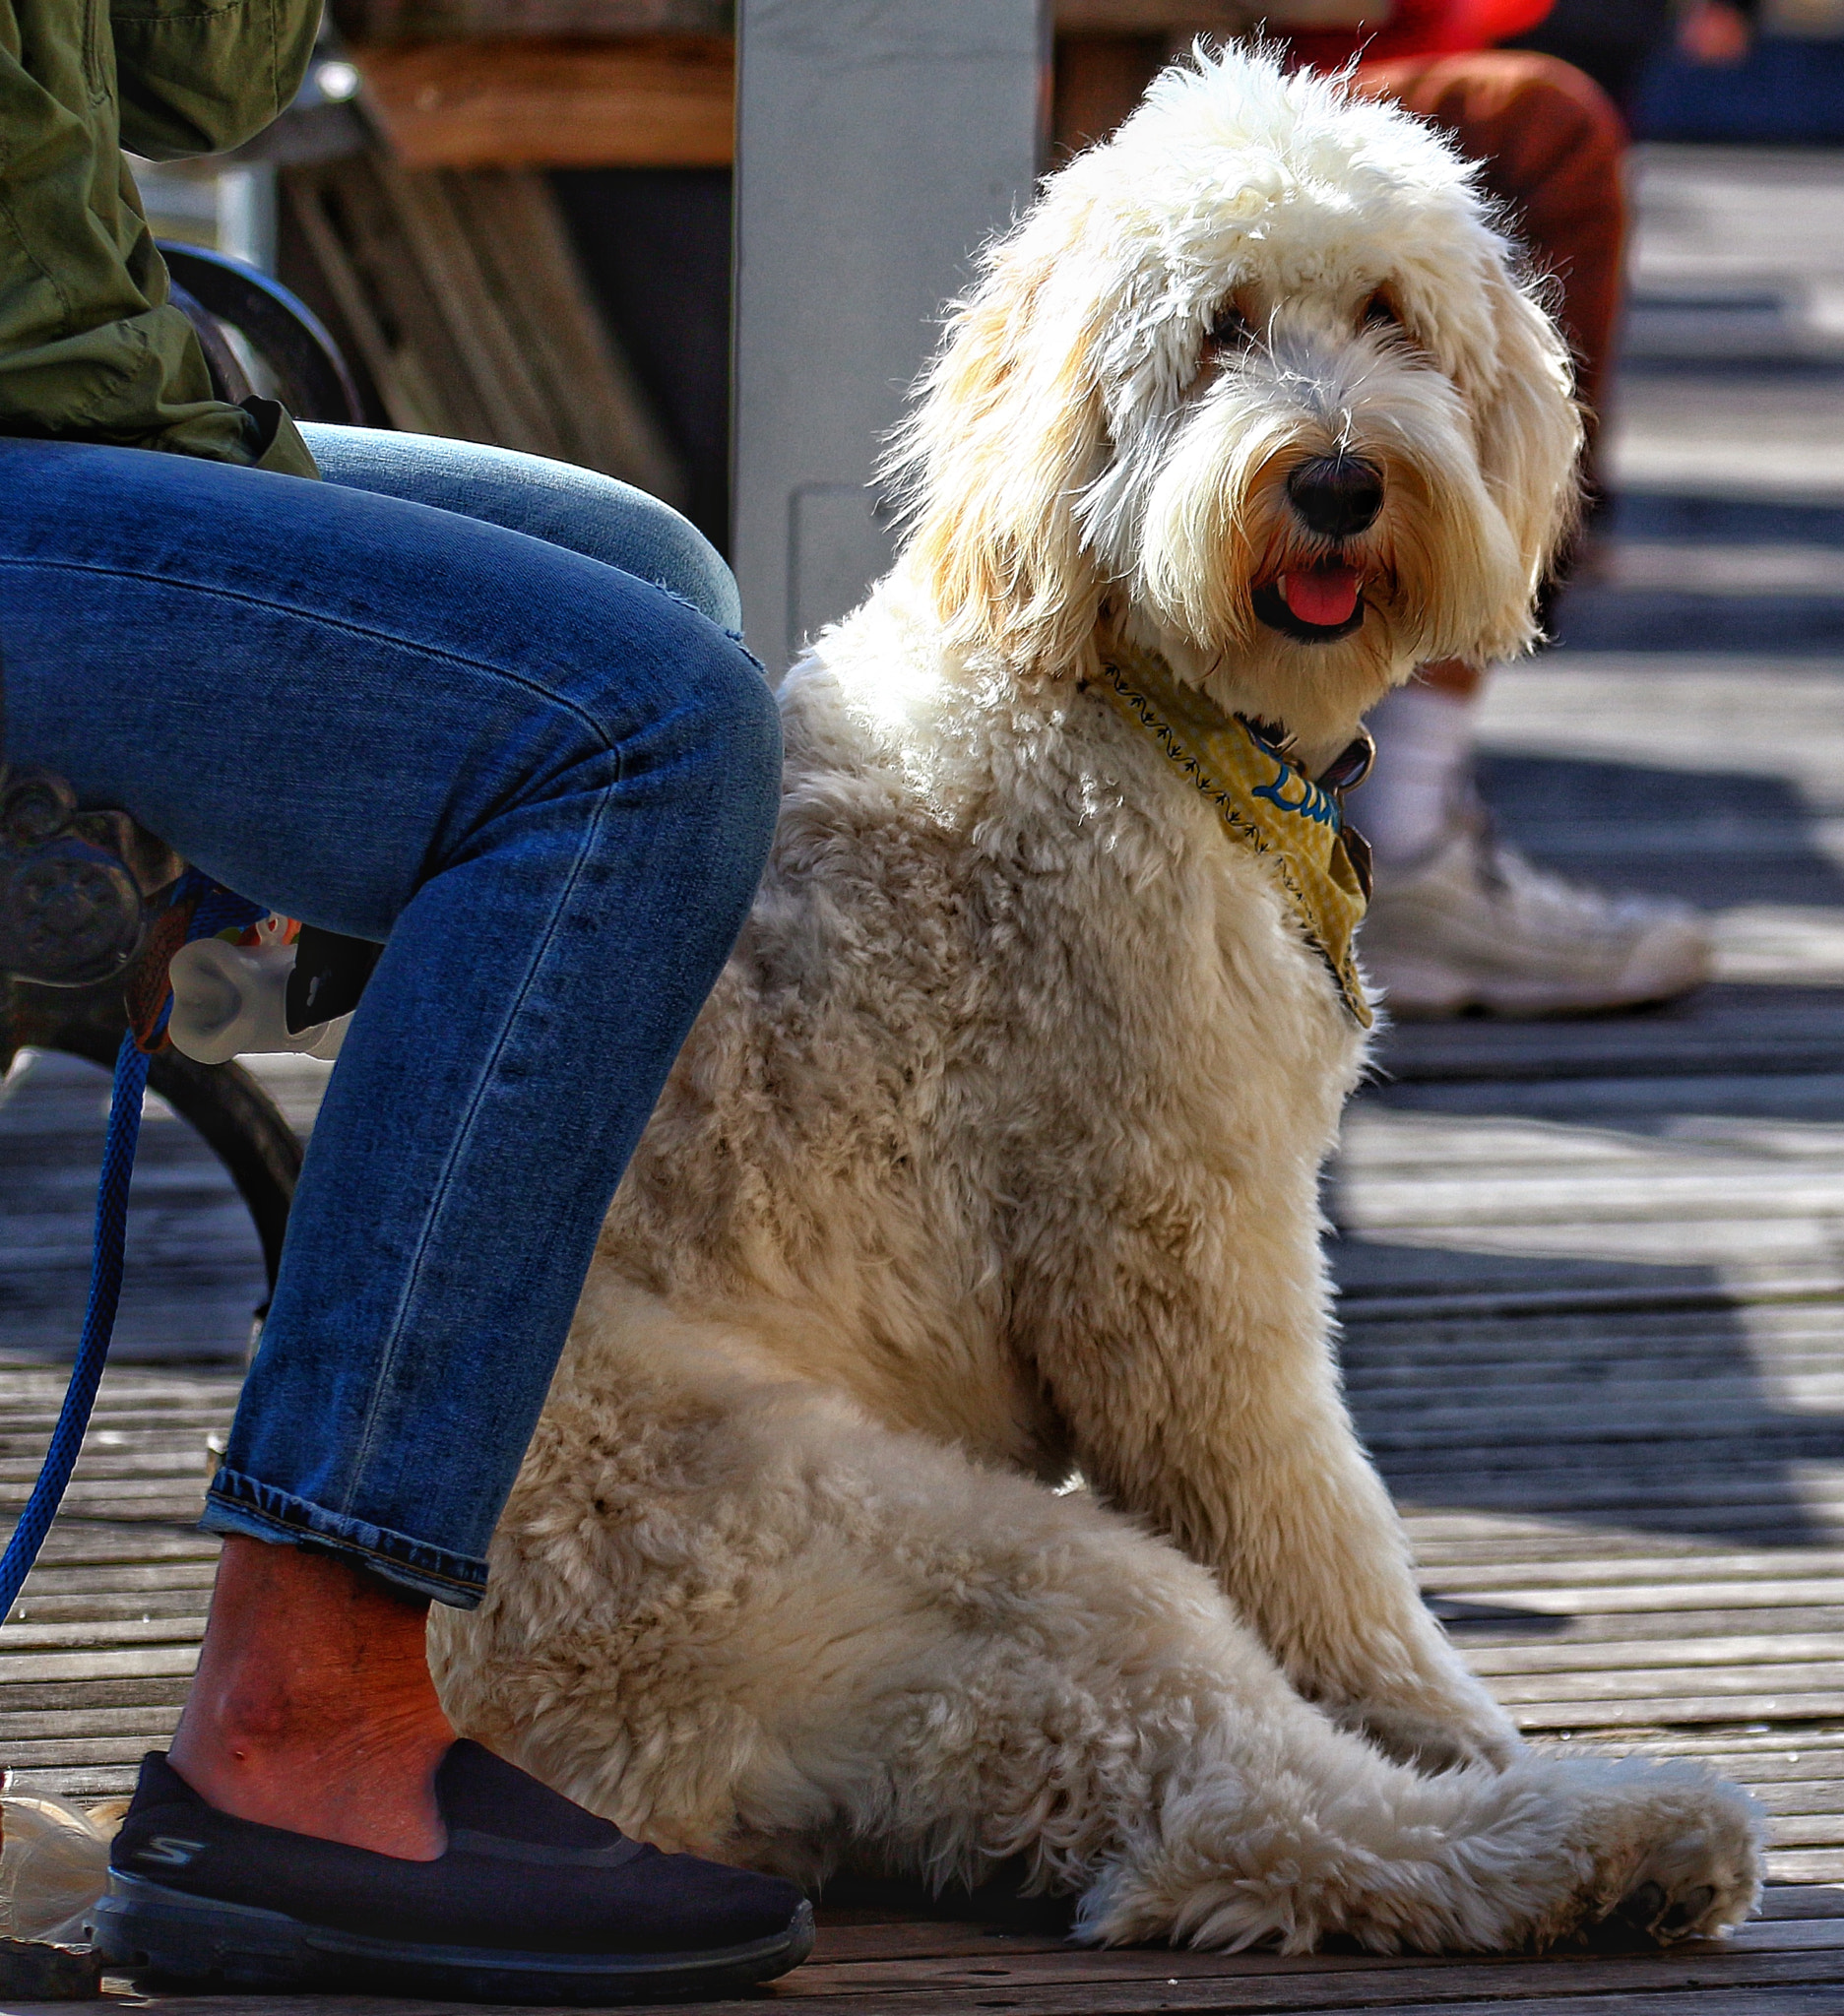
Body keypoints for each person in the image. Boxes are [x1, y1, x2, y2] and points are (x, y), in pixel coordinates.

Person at [0, 0, 813, 1996]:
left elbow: (209, 84)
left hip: (78, 396)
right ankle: (305, 1711)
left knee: (643, 574)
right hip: (45, 411)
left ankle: (515, 1577)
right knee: (630, 733)